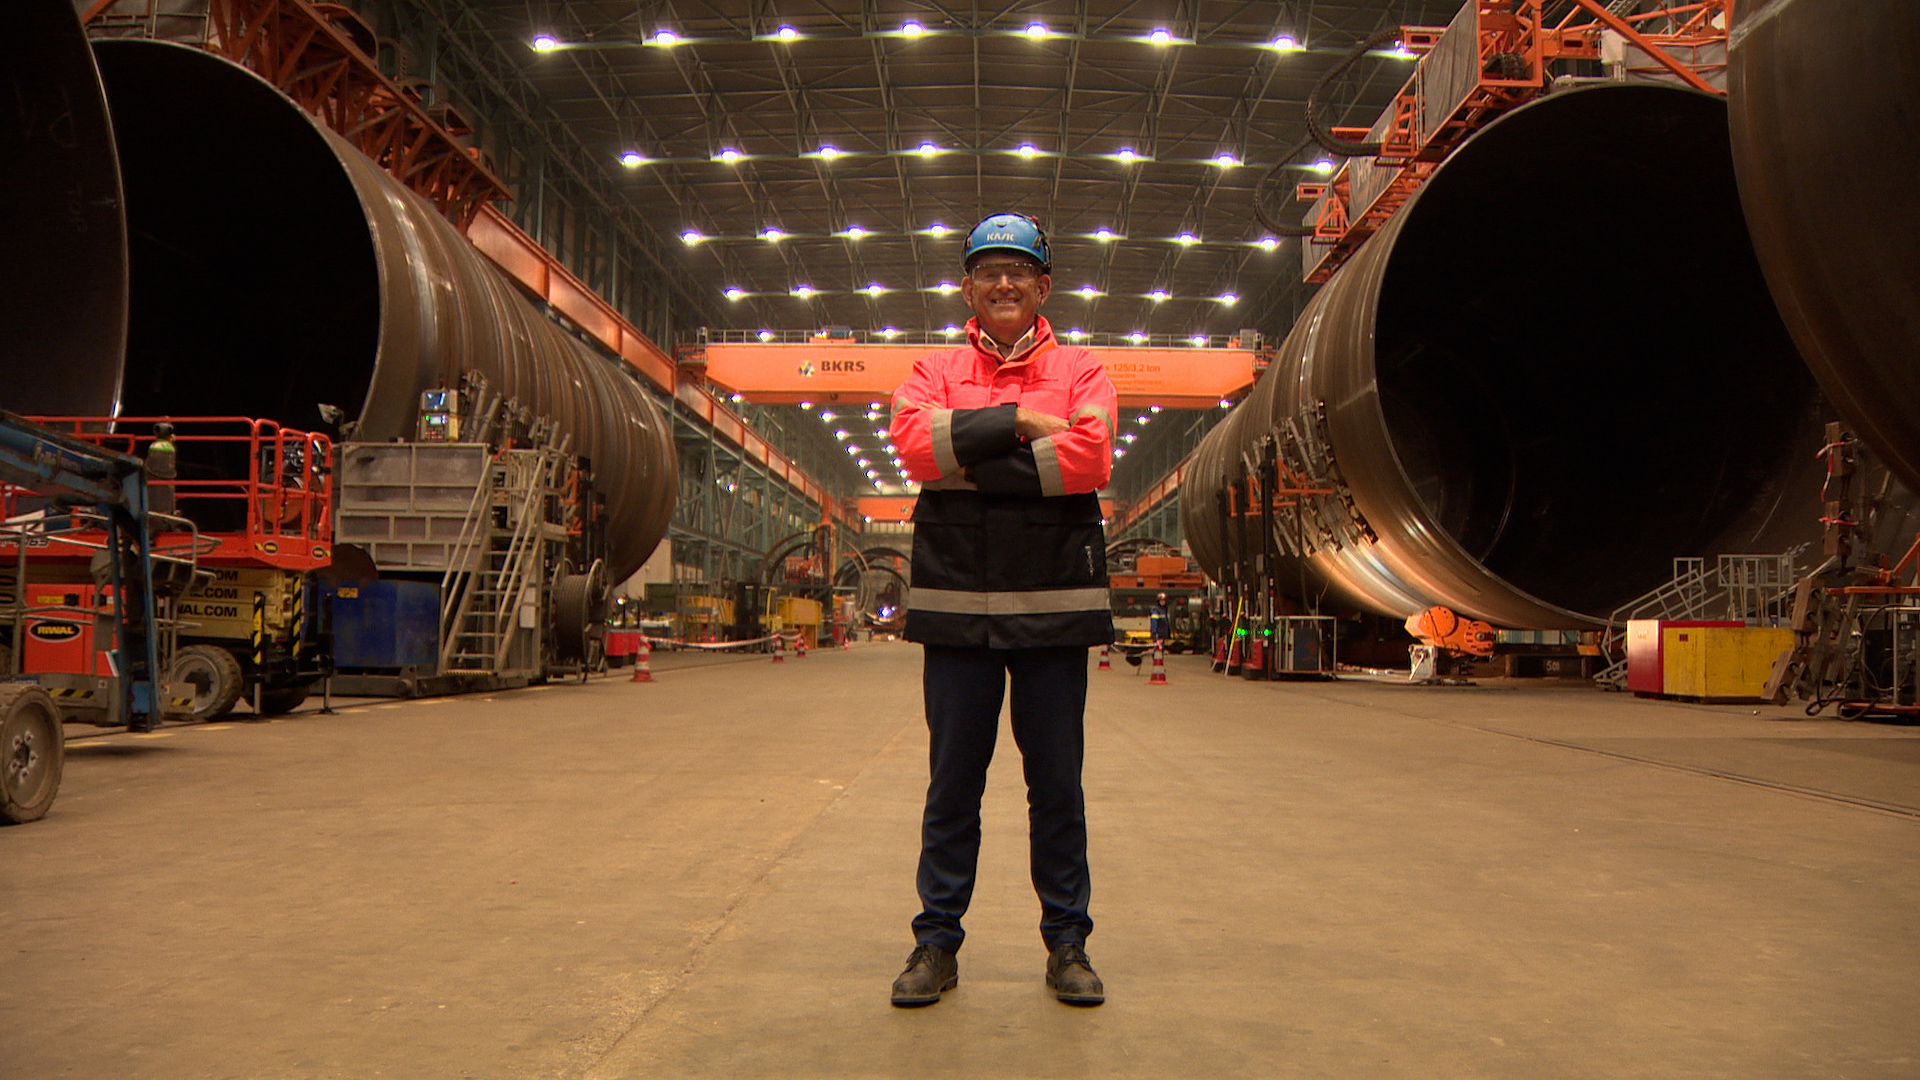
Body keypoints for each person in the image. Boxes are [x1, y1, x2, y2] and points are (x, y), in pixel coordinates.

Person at [886, 213, 1118, 1007]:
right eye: (989, 270)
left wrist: (967, 458)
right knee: (953, 785)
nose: (1005, 282)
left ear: (1044, 286)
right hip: (957, 611)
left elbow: (1090, 458)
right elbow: (915, 448)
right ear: (969, 287)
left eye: (1020, 270)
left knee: (1057, 786)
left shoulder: (1083, 371)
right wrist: (1020, 423)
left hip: (1055, 610)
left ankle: (1069, 945)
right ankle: (935, 944)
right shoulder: (934, 367)